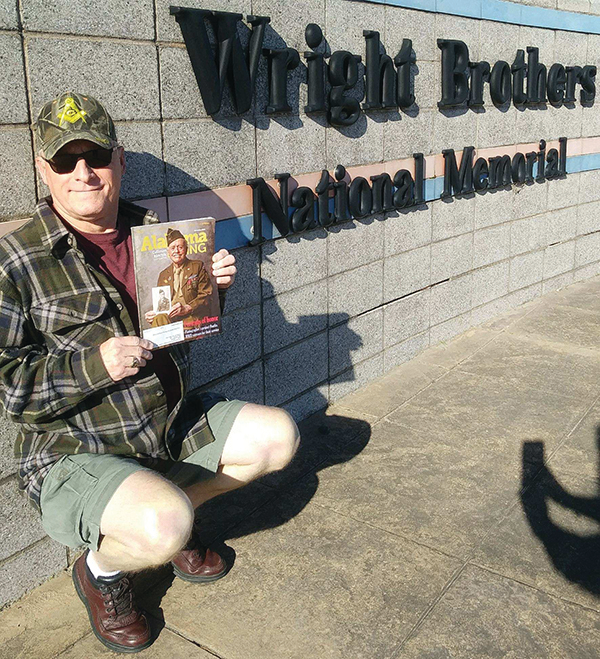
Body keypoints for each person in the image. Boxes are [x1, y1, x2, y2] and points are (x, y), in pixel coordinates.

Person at [0, 92, 300, 653]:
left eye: (96, 157)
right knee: (164, 524)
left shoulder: (155, 231)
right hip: (75, 451)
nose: (83, 173)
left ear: (120, 161)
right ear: (45, 171)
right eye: (65, 161)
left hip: (163, 425)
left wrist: (214, 293)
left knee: (278, 437)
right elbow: (13, 392)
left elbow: (178, 331)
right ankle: (103, 570)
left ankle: (171, 518)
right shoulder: (15, 263)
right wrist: (97, 363)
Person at [144, 228, 213, 328]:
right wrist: (154, 313)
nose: (176, 251)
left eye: (180, 247)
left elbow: (206, 295)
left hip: (191, 315)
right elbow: (162, 303)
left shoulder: (197, 266)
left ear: (186, 249)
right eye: (172, 248)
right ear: (168, 252)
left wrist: (187, 308)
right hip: (170, 317)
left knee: (170, 332)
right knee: (159, 320)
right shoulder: (163, 275)